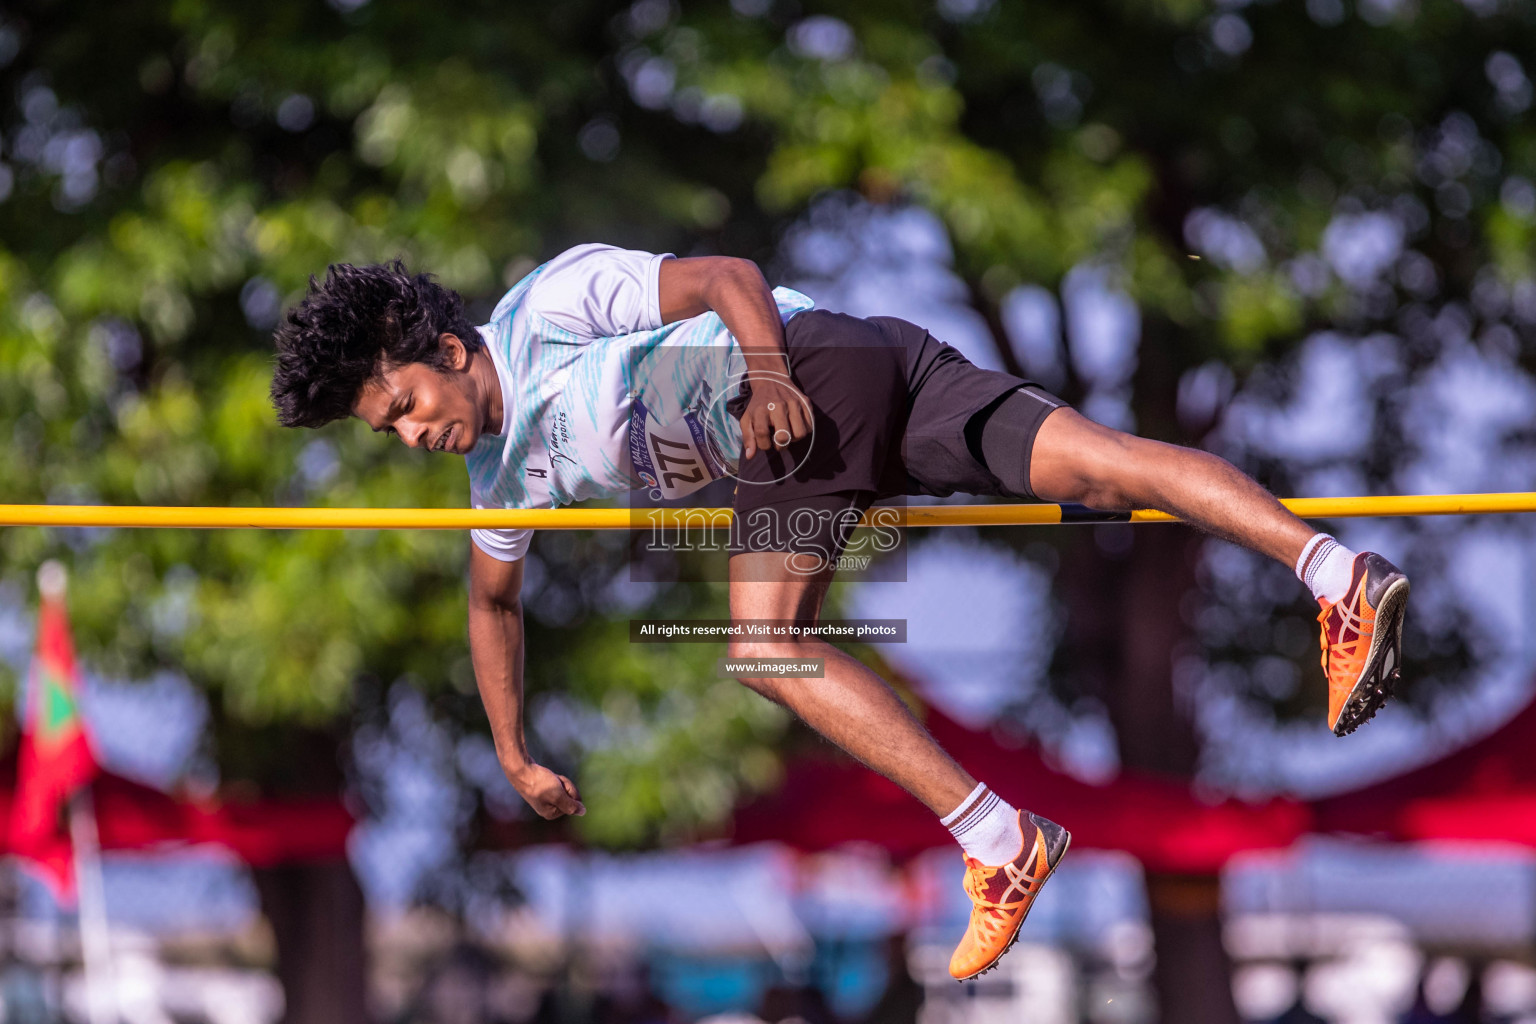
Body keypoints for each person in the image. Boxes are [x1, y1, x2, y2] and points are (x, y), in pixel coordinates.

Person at [268, 244, 1410, 981]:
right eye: (389, 431)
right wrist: (513, 751)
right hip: (874, 368)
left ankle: (999, 839)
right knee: (1104, 469)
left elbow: (723, 276)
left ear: (453, 354)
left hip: (804, 374)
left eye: (408, 406)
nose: (413, 434)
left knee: (764, 645)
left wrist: (765, 377)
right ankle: (1333, 573)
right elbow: (493, 599)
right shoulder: (500, 477)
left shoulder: (549, 308)